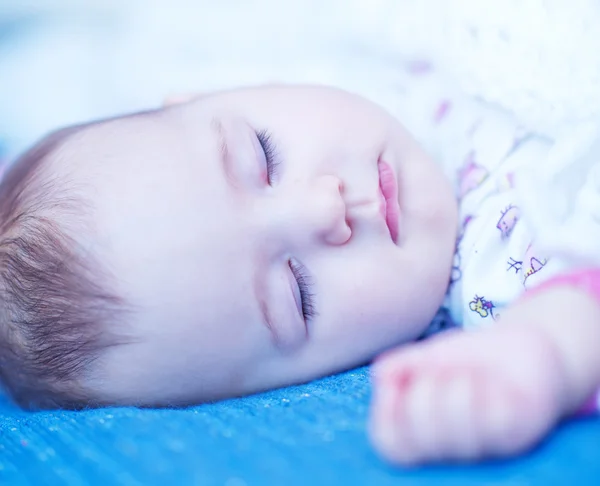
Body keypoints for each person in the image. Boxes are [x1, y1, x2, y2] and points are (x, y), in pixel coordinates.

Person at [0, 81, 598, 466]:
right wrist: (540, 357)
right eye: (298, 294)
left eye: (264, 154)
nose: (324, 206)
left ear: (212, 92)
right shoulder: (503, 271)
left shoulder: (401, 79)